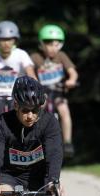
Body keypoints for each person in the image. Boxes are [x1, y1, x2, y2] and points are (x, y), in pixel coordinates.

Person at [30, 24, 78, 158]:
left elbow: (73, 72)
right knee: (38, 109)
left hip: (58, 91)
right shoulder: (35, 57)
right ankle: (32, 137)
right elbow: (28, 71)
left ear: (60, 46)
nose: (53, 48)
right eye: (49, 44)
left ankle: (67, 142)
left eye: (56, 45)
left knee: (64, 111)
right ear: (42, 44)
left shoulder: (61, 56)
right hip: (42, 92)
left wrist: (71, 80)